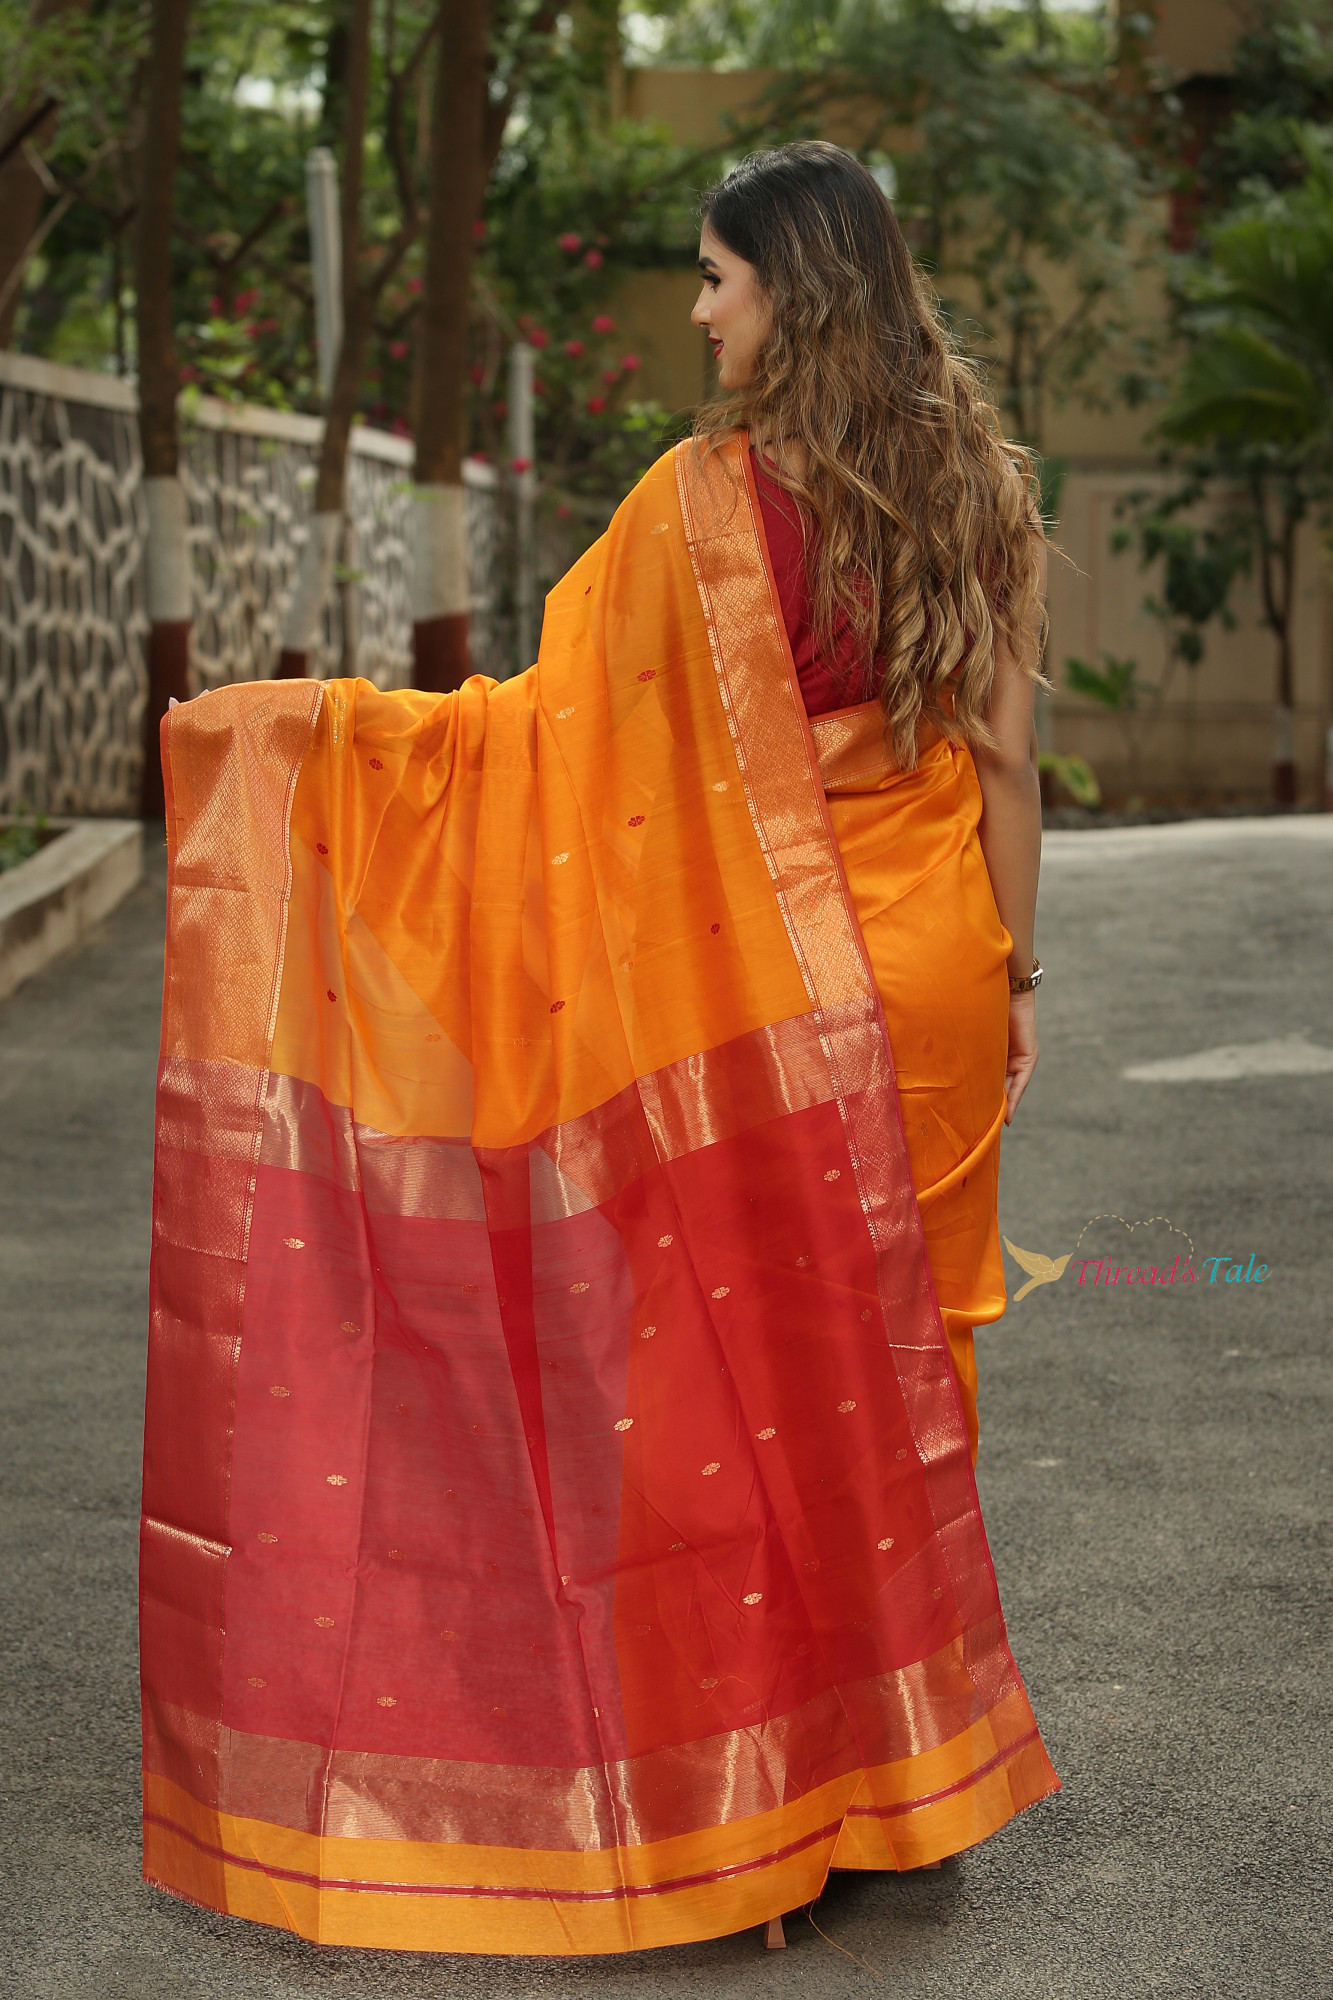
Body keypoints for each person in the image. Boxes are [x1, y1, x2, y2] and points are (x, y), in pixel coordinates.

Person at [140, 141, 1057, 1962]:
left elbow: (546, 747)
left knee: (712, 1399)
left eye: (718, 279)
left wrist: (312, 741)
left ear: (789, 292)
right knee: (900, 1381)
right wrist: (1016, 977)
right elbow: (1008, 762)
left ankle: (748, 1816)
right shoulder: (981, 486)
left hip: (749, 1012)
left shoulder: (702, 503)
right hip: (932, 973)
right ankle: (899, 1788)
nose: (700, 312)